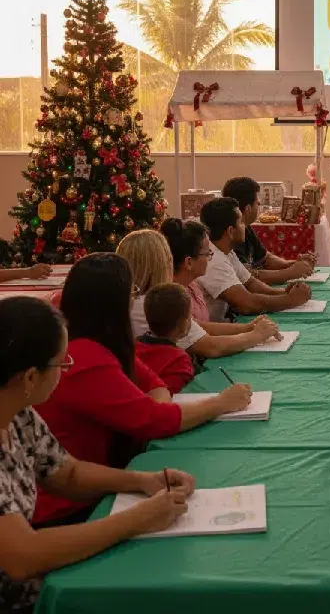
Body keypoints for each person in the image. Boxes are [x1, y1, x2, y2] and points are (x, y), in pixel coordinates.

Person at [0, 296, 194, 614]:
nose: (66, 371)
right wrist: (137, 519)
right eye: (62, 363)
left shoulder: (19, 415)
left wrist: (142, 480)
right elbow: (23, 556)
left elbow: (65, 473)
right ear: (30, 377)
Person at [34, 253, 253, 526]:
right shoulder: (82, 357)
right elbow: (154, 420)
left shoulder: (94, 340)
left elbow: (153, 384)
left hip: (91, 483)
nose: (134, 299)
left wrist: (156, 409)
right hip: (67, 510)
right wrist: (220, 403)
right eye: (132, 291)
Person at [154, 219, 283, 358]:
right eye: (207, 254)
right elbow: (211, 346)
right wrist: (256, 335)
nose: (210, 258)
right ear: (189, 262)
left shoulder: (191, 284)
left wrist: (248, 327)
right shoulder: (170, 299)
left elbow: (199, 327)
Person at [198, 198, 311, 321]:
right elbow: (247, 304)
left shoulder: (226, 251)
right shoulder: (213, 260)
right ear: (230, 231)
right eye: (241, 222)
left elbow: (251, 283)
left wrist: (283, 292)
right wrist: (291, 300)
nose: (244, 226)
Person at [221, 177, 317, 281]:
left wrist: (294, 264)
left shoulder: (245, 227)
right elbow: (247, 276)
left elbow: (266, 259)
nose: (259, 207)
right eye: (257, 204)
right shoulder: (230, 235)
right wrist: (290, 273)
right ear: (248, 208)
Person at [135, 284, 197, 394]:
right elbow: (172, 398)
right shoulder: (179, 360)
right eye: (189, 317)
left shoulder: (133, 346)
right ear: (183, 324)